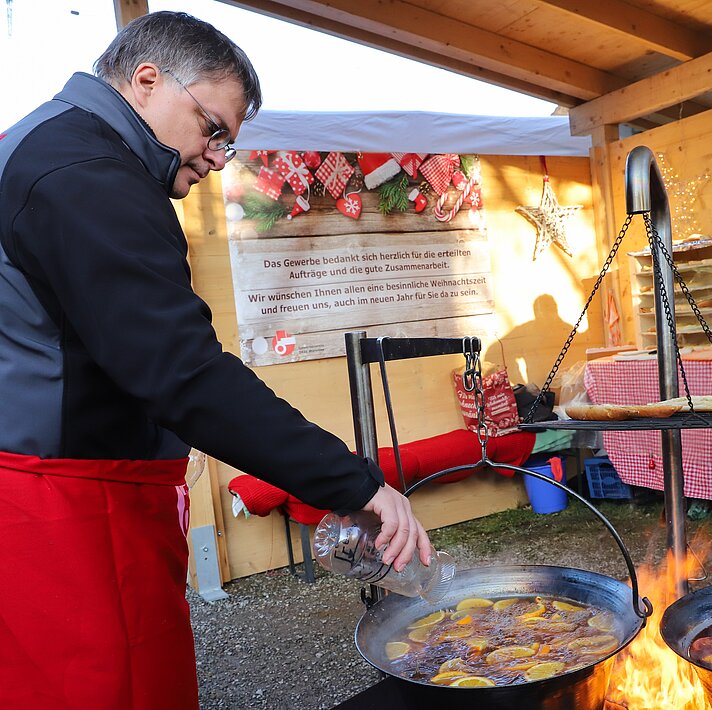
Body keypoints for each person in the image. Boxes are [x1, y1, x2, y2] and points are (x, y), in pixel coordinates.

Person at [0, 12, 431, 710]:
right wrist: (354, 483)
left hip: (66, 494)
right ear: (146, 81)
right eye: (213, 129)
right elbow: (183, 371)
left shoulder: (45, 145)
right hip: (68, 512)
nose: (219, 156)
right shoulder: (86, 172)